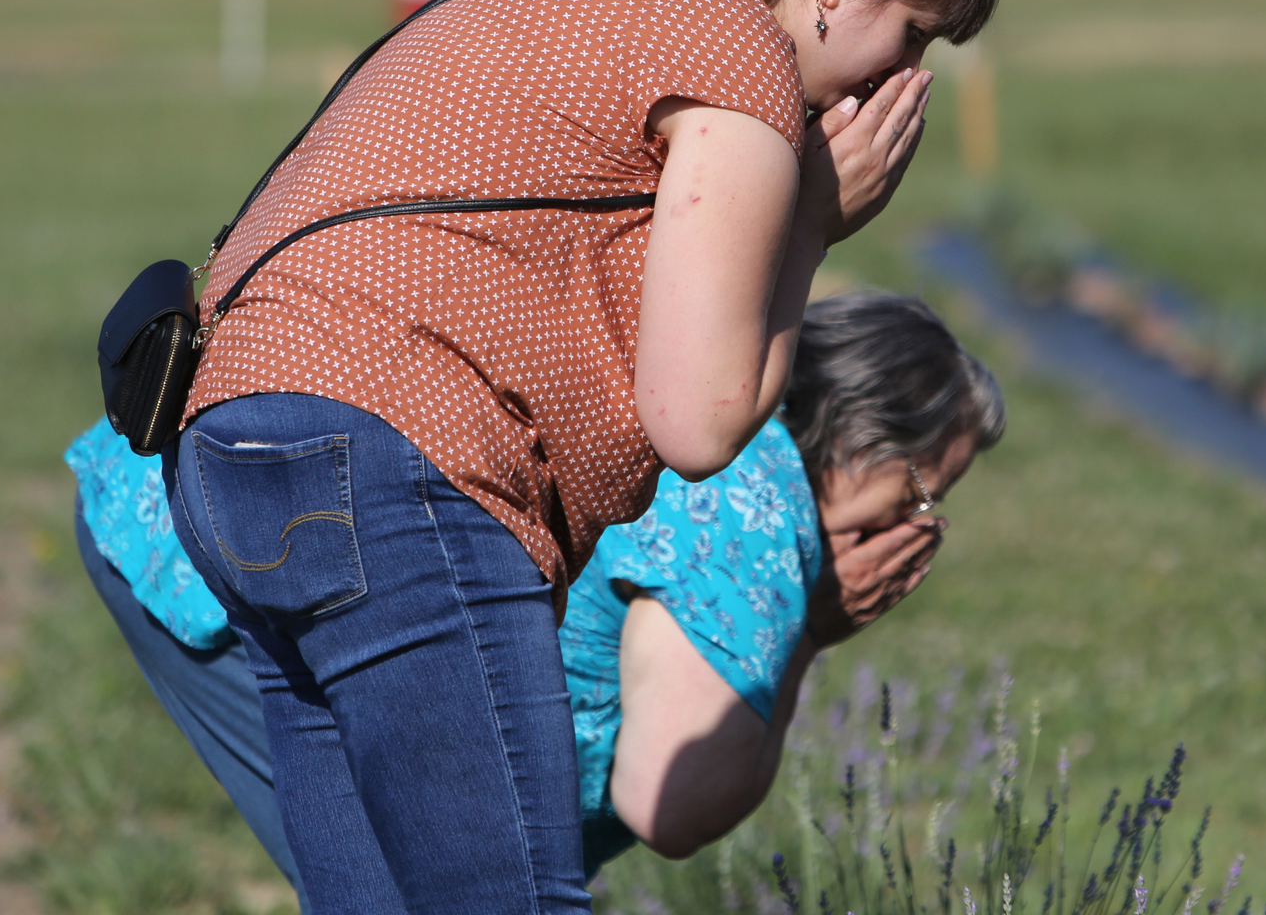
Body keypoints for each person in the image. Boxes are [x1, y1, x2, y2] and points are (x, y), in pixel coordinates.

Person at [159, 0, 1000, 913]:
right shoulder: (741, 54)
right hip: (401, 461)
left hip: (229, 444)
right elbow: (697, 418)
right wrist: (809, 227)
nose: (900, 83)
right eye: (914, 36)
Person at [71, 292, 1004, 899]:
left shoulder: (710, 405)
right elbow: (670, 803)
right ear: (868, 443)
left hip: (231, 488)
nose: (924, 531)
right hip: (233, 560)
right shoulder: (757, 514)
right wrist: (807, 637)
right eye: (928, 496)